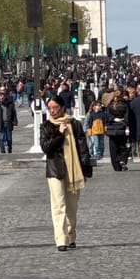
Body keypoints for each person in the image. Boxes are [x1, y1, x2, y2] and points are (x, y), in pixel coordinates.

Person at [40, 95, 92, 251]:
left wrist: (86, 170)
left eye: (55, 107)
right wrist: (59, 134)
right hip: (55, 170)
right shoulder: (46, 126)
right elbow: (46, 148)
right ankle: (60, 240)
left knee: (71, 206)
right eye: (50, 108)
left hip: (74, 170)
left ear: (62, 107)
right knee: (58, 205)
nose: (53, 111)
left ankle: (70, 236)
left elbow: (83, 148)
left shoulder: (75, 124)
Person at [105, 89, 131, 171]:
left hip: (112, 128)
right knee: (123, 146)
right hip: (122, 127)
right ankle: (122, 159)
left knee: (113, 149)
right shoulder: (125, 105)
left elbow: (108, 116)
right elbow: (127, 118)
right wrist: (127, 127)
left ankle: (116, 166)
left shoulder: (110, 105)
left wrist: (115, 119)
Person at [0, 86, 18, 154]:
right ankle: (2, 151)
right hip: (1, 123)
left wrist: (14, 123)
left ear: (4, 96)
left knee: (9, 138)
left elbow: (13, 113)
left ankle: (9, 149)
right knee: (1, 138)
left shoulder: (9, 104)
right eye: (0, 97)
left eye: (2, 97)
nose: (1, 98)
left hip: (8, 123)